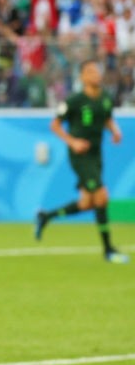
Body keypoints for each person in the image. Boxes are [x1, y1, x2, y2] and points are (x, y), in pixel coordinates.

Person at [36, 60, 129, 263]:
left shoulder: (105, 98)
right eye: (90, 71)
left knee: (87, 203)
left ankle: (46, 216)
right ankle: (108, 250)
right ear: (82, 77)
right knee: (101, 197)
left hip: (96, 154)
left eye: (97, 71)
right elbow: (55, 125)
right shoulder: (75, 100)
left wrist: (115, 131)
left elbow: (107, 118)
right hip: (81, 156)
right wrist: (73, 141)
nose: (95, 74)